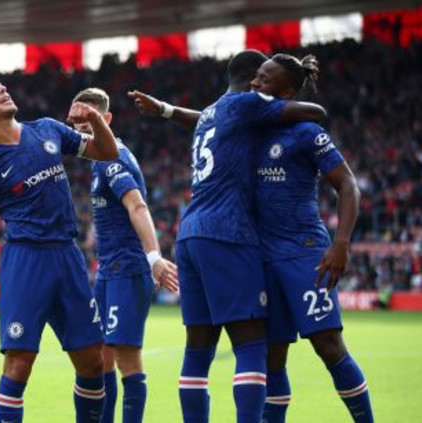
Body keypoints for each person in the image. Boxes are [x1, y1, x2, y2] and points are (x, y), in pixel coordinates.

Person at [128, 50, 327, 423]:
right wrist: (289, 105)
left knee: (197, 351)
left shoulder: (212, 112)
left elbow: (198, 117)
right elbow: (315, 113)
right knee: (251, 344)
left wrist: (166, 110)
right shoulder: (248, 104)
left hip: (190, 233)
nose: (262, 83)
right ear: (254, 78)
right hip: (227, 231)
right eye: (262, 76)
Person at [0, 74, 125, 423]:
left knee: (93, 361)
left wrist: (95, 119)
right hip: (25, 260)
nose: (2, 89)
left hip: (67, 255)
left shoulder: (47, 129)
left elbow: (107, 152)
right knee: (19, 364)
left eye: (0, 85)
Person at [250, 54, 374, 423]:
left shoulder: (306, 132)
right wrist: (164, 110)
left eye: (264, 79)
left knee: (328, 346)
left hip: (303, 253)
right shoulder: (249, 129)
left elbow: (347, 184)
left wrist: (341, 244)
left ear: (287, 92)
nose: (255, 83)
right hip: (262, 258)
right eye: (255, 76)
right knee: (272, 356)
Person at [72, 87, 178, 423]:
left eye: (89, 122)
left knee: (127, 359)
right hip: (109, 271)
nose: (82, 130)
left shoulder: (113, 158)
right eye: (76, 125)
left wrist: (153, 257)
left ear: (107, 119)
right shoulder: (98, 161)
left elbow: (137, 205)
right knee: (101, 357)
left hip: (128, 269)